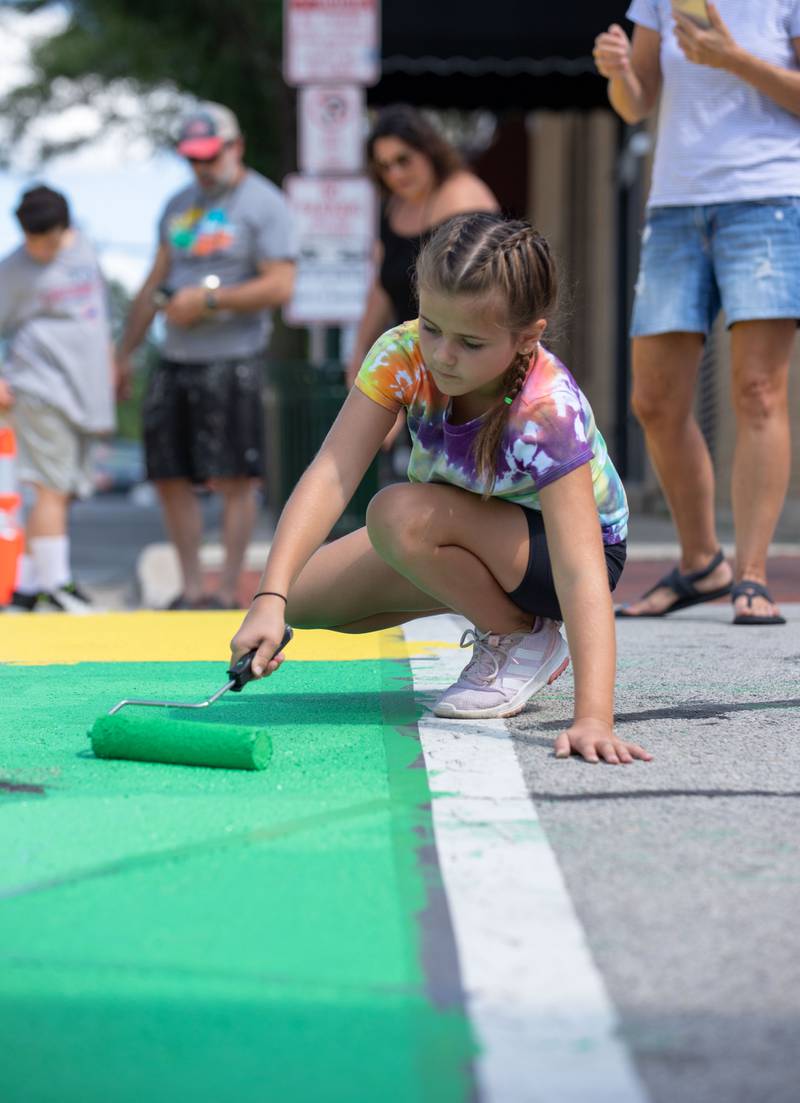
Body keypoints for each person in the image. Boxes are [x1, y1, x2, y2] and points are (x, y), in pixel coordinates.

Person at [230, 213, 651, 766]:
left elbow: (581, 568)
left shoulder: (548, 409)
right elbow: (331, 472)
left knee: (397, 514)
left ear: (528, 337)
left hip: (563, 554)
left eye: (471, 342)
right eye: (432, 327)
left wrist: (593, 718)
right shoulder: (401, 354)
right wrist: (269, 598)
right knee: (301, 598)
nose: (443, 354)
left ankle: (521, 634)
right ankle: (501, 613)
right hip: (464, 530)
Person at [594, 1, 800, 625]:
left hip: (768, 201)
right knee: (654, 401)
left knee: (759, 391)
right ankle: (701, 562)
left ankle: (753, 575)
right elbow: (638, 104)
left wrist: (733, 58)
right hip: (677, 204)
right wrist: (619, 72)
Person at [116, 102, 297, 610]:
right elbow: (155, 279)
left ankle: (224, 590)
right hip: (174, 357)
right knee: (169, 472)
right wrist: (123, 353)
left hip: (235, 354)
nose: (201, 167)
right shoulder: (177, 205)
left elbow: (282, 284)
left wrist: (210, 300)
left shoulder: (264, 203)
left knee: (236, 476)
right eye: (192, 158)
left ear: (235, 147)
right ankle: (191, 587)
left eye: (209, 156)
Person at [0, 185, 114, 614]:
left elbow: (99, 318)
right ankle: (57, 584)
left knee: (62, 489)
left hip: (81, 390)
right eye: (29, 240)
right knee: (50, 485)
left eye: (45, 242)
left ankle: (28, 584)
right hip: (38, 385)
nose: (37, 250)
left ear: (65, 229)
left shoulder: (84, 248)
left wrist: (112, 370)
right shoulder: (13, 269)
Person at [347, 105, 498, 400]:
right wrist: (360, 356)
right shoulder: (393, 207)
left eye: (403, 160)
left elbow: (481, 296)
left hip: (469, 371)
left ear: (428, 151)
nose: (396, 174)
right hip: (420, 366)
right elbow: (381, 287)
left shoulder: (464, 197)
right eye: (385, 166)